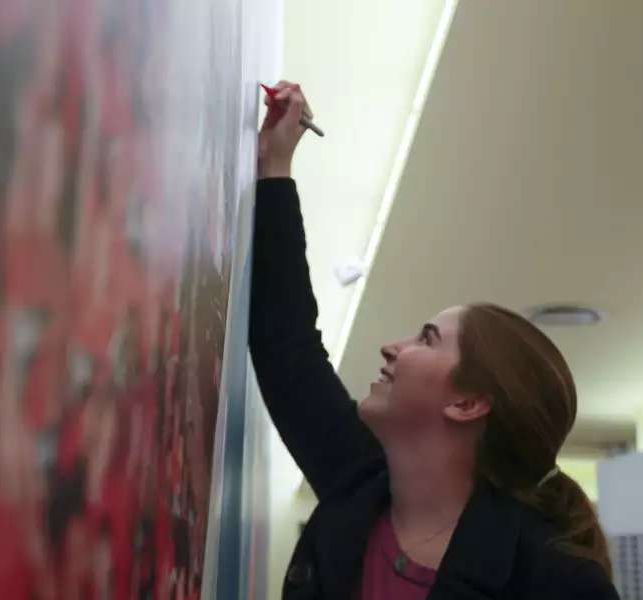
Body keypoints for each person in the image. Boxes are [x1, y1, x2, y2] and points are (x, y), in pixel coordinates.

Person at [250, 81, 620, 600]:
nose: (391, 347)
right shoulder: (357, 482)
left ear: (468, 402)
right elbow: (284, 343)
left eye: (427, 338)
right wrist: (275, 169)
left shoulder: (555, 581)